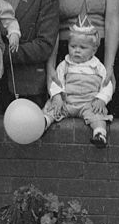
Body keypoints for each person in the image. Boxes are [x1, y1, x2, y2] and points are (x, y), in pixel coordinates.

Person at [43, 16, 114, 147]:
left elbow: (107, 85)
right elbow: (56, 81)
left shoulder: (98, 67)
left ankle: (99, 134)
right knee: (53, 108)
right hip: (67, 101)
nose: (76, 50)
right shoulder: (65, 64)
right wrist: (57, 96)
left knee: (97, 115)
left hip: (89, 103)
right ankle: (43, 123)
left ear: (94, 49)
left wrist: (102, 99)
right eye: (73, 46)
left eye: (82, 47)